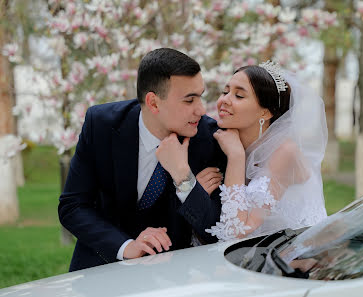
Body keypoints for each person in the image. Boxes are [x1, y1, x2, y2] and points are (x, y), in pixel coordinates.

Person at [59, 48, 225, 271]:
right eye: (189, 100)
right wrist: (126, 247)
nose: (201, 110)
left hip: (172, 276)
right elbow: (73, 206)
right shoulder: (101, 125)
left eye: (200, 96)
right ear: (154, 103)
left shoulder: (208, 139)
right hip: (101, 268)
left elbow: (215, 230)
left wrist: (184, 178)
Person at [205, 61, 328, 241]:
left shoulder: (285, 152)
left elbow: (235, 230)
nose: (224, 100)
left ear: (265, 113)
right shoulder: (226, 140)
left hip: (296, 257)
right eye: (225, 92)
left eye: (239, 95)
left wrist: (236, 157)